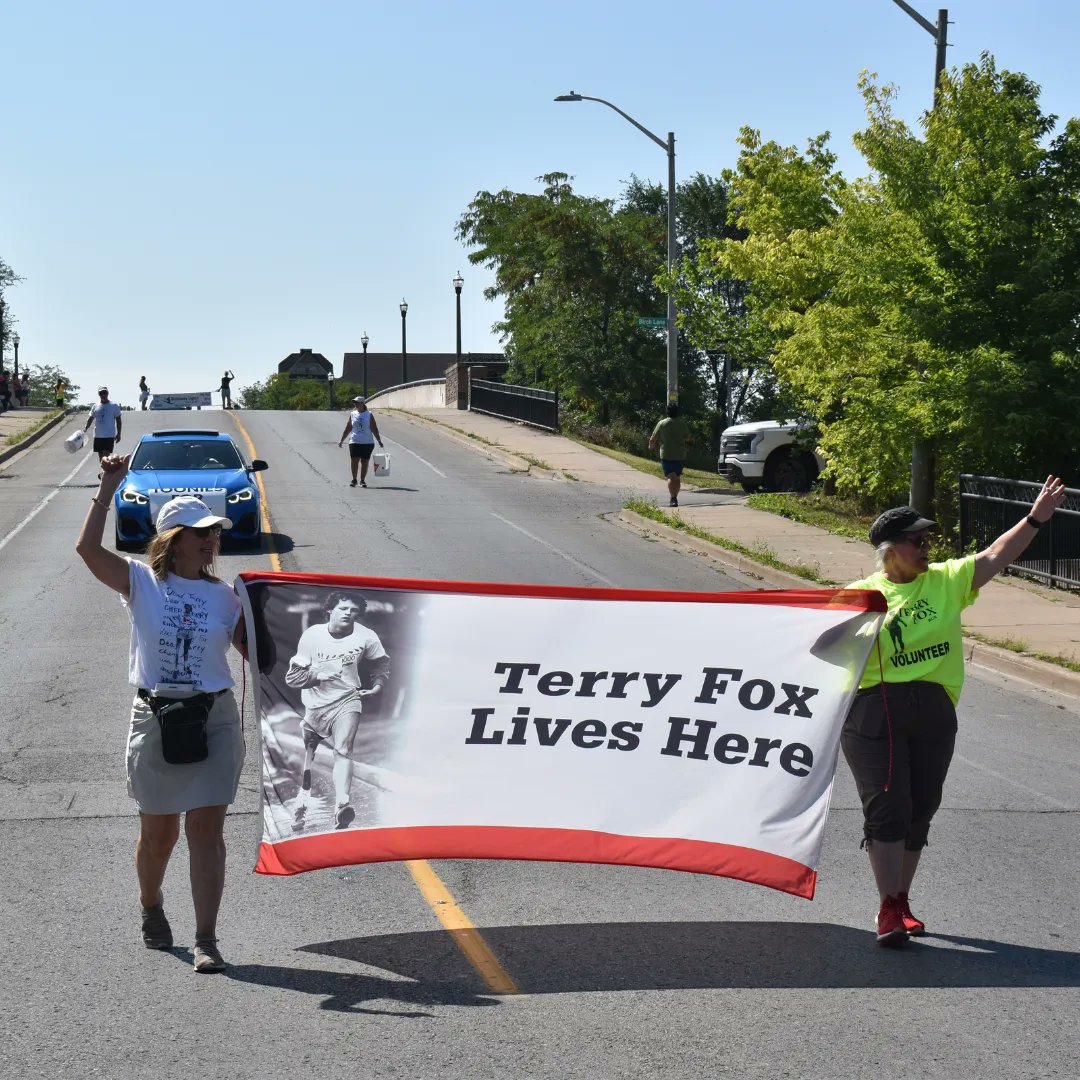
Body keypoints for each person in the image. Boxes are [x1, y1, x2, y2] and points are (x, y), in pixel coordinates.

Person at [843, 477, 1067, 947]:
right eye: (917, 541)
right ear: (890, 550)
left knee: (920, 809)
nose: (928, 547)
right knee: (888, 807)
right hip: (874, 712)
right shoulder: (858, 595)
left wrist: (1034, 518)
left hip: (934, 712)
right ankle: (888, 907)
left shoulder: (946, 580)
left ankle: (902, 900)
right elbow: (816, 646)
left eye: (929, 540)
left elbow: (995, 556)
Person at [75, 480, 248, 973]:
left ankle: (206, 939)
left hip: (214, 717)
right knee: (159, 834)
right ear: (172, 539)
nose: (210, 540)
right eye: (199, 533)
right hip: (156, 715)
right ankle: (150, 904)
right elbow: (86, 549)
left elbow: (256, 654)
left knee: (207, 829)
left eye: (213, 532)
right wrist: (107, 487)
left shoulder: (228, 597)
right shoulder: (139, 582)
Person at [285, 592, 390, 830]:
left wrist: (377, 686)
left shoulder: (366, 636)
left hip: (348, 699)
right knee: (308, 762)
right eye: (343, 609)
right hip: (315, 705)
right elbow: (292, 677)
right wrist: (316, 675)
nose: (348, 614)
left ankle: (342, 805)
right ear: (330, 610)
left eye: (353, 611)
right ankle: (301, 805)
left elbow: (381, 662)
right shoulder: (312, 636)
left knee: (343, 749)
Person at [648, 403, 691, 508]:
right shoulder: (682, 424)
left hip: (666, 453)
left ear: (667, 412)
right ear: (677, 412)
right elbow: (688, 438)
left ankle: (673, 498)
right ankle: (674, 497)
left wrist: (651, 446)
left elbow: (653, 438)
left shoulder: (661, 423)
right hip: (680, 454)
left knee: (672, 477)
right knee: (676, 476)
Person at [338, 396, 384, 488]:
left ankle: (362, 480)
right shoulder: (353, 414)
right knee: (354, 460)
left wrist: (379, 440)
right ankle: (354, 479)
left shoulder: (369, 414)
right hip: (354, 441)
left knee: (364, 461)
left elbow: (374, 428)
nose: (355, 404)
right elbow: (348, 428)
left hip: (367, 442)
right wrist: (342, 440)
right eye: (354, 403)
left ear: (362, 404)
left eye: (357, 403)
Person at [84, 387, 123, 478]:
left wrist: (119, 434)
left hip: (109, 435)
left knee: (106, 454)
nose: (103, 395)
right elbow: (90, 418)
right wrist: (85, 428)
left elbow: (118, 420)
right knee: (101, 457)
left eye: (104, 393)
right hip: (98, 435)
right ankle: (105, 472)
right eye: (101, 393)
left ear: (107, 393)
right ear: (99, 395)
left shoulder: (114, 406)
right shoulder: (95, 406)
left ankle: (104, 474)